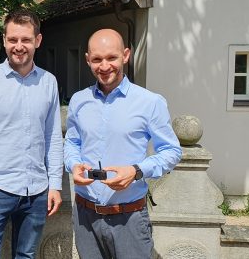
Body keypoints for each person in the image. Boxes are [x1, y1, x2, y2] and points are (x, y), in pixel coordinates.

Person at [64, 29, 182, 259]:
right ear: (88, 59)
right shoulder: (79, 100)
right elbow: (72, 143)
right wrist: (73, 164)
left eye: (112, 58)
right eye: (97, 59)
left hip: (129, 217)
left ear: (125, 55)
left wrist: (136, 171)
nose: (104, 66)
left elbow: (171, 151)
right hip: (85, 216)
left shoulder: (150, 102)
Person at [0, 8, 64, 259]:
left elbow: (53, 136)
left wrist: (55, 184)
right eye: (13, 40)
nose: (19, 46)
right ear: (4, 40)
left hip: (37, 192)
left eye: (26, 40)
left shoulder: (49, 82)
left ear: (38, 41)